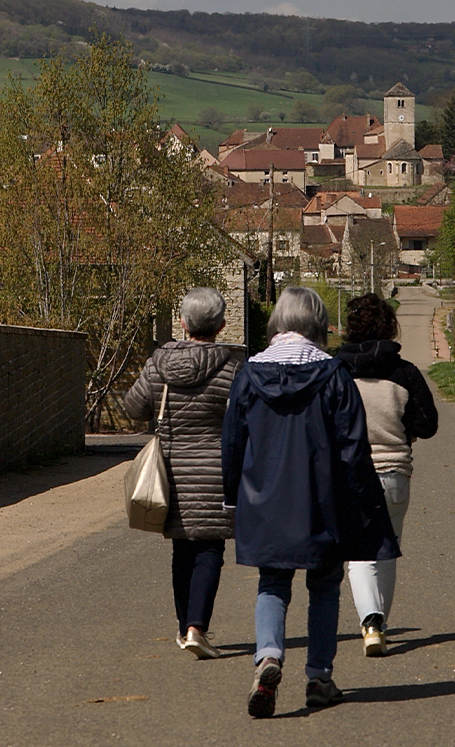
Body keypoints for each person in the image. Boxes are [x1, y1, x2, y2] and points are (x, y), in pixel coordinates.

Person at [222, 286, 399, 718]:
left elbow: (232, 442)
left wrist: (232, 498)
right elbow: (354, 447)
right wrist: (363, 503)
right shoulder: (334, 375)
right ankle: (319, 676)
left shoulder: (249, 374)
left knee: (272, 583)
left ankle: (268, 656)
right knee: (324, 586)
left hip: (265, 500)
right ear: (318, 323)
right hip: (323, 500)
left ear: (277, 321)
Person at [123, 288, 245, 660]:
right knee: (209, 548)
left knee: (182, 550)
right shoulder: (231, 368)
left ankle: (183, 629)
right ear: (221, 325)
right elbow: (245, 421)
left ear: (182, 323)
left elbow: (134, 409)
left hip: (170, 473)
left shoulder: (157, 364)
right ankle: (196, 628)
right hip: (214, 473)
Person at [335, 292, 439, 656]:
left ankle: (371, 622)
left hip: (350, 474)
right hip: (395, 472)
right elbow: (427, 425)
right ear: (390, 327)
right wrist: (403, 428)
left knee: (358, 555)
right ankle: (379, 623)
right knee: (386, 550)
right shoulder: (405, 372)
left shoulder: (336, 371)